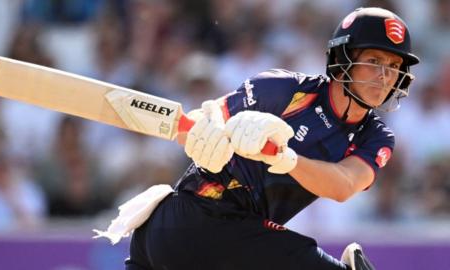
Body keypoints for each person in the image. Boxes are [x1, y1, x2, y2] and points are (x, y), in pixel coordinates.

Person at [98, 7, 419, 270]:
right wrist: (205, 137)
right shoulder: (282, 90)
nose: (385, 75)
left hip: (228, 240)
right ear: (343, 57)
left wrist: (284, 159)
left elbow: (343, 184)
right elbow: (208, 118)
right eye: (374, 61)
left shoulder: (376, 137)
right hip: (190, 221)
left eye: (393, 66)